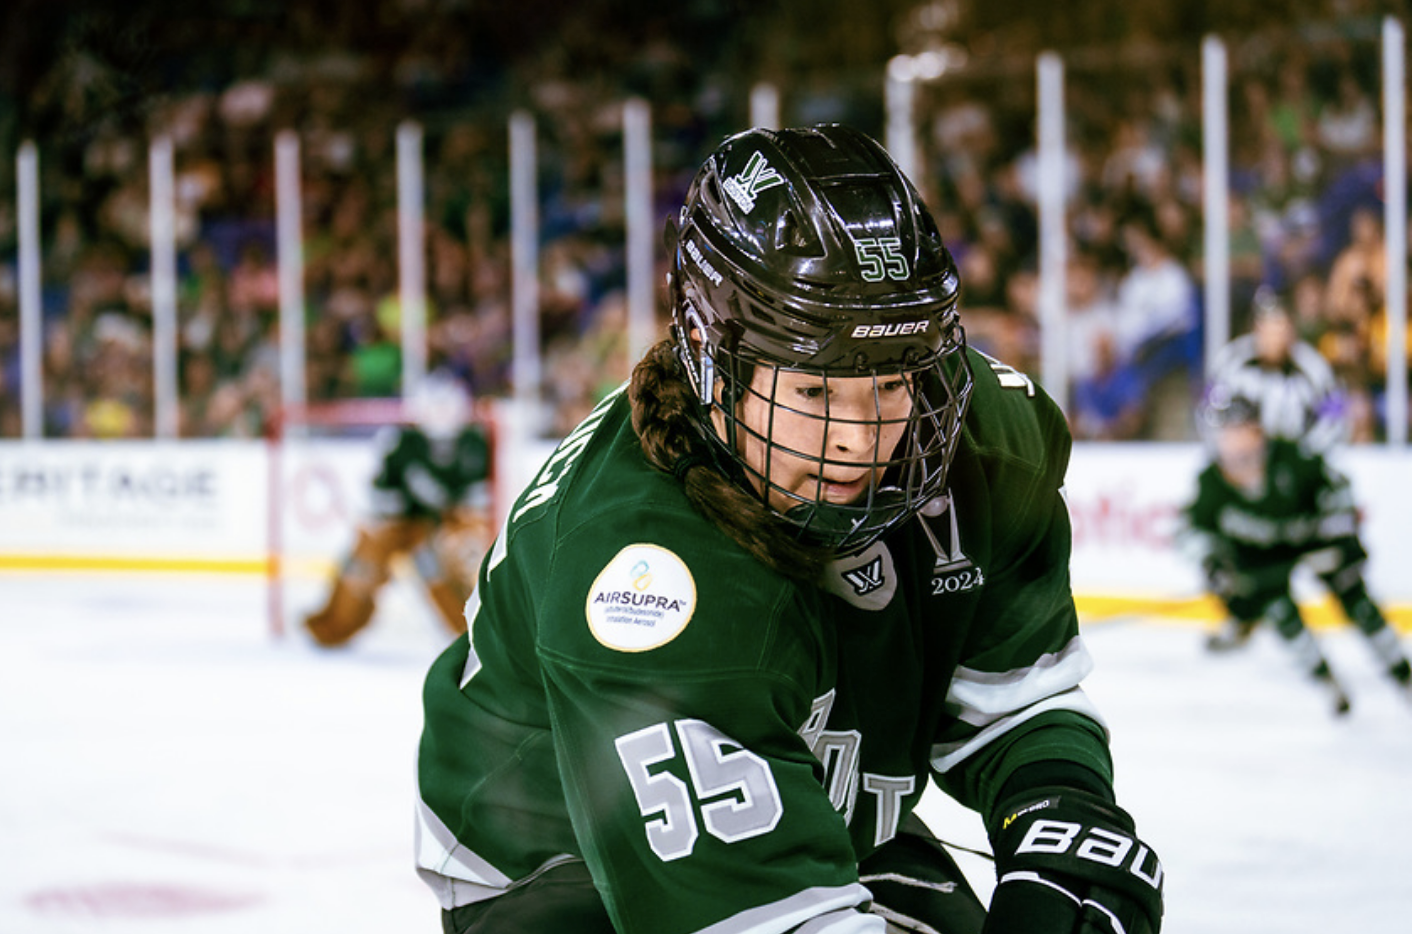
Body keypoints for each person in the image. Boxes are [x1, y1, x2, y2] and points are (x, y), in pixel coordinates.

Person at [415, 125, 1164, 934]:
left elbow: (1012, 697)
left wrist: (1061, 812)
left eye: (892, 381)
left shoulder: (979, 441)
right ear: (709, 358)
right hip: (561, 862)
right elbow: (754, 915)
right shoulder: (641, 573)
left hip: (816, 801)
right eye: (814, 392)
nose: (861, 439)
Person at [1180, 393, 1411, 716]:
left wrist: (1340, 539)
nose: (1231, 443)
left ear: (1257, 430)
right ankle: (1325, 680)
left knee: (1356, 599)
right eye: (1224, 435)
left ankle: (1402, 674)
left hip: (1316, 542)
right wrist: (1213, 565)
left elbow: (1338, 492)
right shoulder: (1211, 482)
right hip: (1263, 558)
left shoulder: (1293, 458)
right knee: (1279, 610)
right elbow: (1192, 531)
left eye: (1238, 431)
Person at [304, 371, 492, 646]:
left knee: (455, 560)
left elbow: (479, 502)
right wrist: (389, 522)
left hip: (445, 525)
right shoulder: (400, 442)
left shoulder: (476, 444)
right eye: (435, 406)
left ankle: (475, 631)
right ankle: (334, 626)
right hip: (400, 523)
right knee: (365, 562)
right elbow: (379, 494)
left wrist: (450, 524)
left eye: (446, 406)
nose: (441, 414)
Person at [1206, 285, 1346, 454]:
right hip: (1242, 459)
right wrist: (1230, 448)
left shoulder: (1313, 367)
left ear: (1292, 331)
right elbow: (1209, 411)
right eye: (1268, 327)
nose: (1274, 337)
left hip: (1298, 458)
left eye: (1280, 327)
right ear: (1256, 329)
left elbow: (1333, 415)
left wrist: (1306, 453)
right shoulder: (1232, 363)